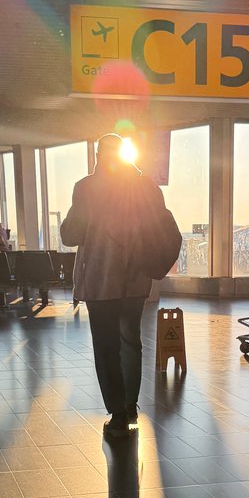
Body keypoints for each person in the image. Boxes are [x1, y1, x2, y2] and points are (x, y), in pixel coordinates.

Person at [61, 132, 182, 439]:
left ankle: (116, 414)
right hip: (136, 279)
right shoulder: (146, 188)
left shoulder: (87, 188)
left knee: (106, 347)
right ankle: (129, 405)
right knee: (131, 341)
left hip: (101, 280)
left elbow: (70, 235)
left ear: (101, 155)